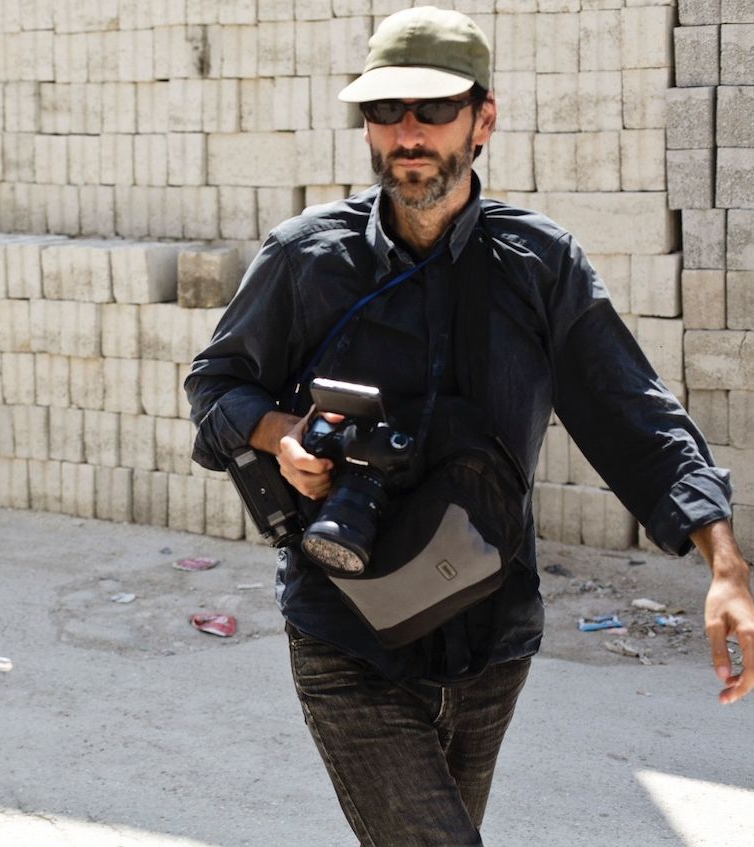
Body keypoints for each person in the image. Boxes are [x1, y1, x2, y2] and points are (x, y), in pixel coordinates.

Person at [185, 7, 754, 845]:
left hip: (492, 638)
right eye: (385, 112)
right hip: (347, 631)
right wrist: (281, 435)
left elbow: (633, 413)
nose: (406, 133)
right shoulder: (306, 257)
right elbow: (215, 385)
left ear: (482, 118)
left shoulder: (538, 264)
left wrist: (723, 564)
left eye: (431, 109)